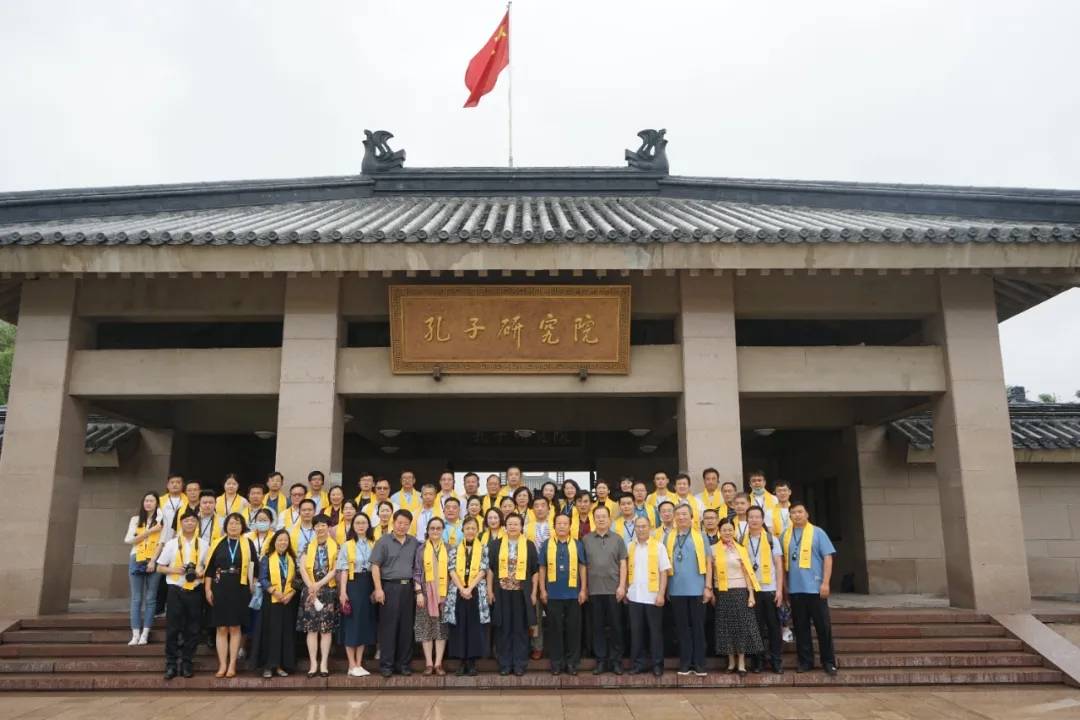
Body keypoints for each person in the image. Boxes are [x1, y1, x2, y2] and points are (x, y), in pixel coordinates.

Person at [783, 502, 838, 675]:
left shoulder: (818, 532)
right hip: (795, 590)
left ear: (807, 514)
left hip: (815, 589)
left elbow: (828, 558)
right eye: (793, 512)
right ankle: (805, 661)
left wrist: (826, 583)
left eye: (800, 512)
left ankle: (828, 661)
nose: (797, 515)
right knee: (801, 627)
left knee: (823, 627)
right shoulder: (785, 534)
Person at [204, 512, 257, 678]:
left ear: (242, 526)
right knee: (221, 627)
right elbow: (210, 569)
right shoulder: (217, 544)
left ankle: (232, 664)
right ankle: (222, 665)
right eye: (231, 523)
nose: (234, 526)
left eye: (237, 523)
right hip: (220, 586)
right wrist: (208, 589)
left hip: (240, 587)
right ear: (225, 526)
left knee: (235, 626)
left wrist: (252, 585)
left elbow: (254, 567)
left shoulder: (248, 543)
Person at [707, 517, 762, 675]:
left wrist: (751, 594)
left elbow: (747, 573)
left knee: (742, 628)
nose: (727, 532)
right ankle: (731, 662)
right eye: (724, 530)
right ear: (719, 531)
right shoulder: (712, 549)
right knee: (726, 628)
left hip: (740, 591)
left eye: (730, 529)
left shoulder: (741, 549)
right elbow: (710, 573)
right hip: (722, 592)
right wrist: (710, 591)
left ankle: (742, 663)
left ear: (734, 531)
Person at [157, 508, 207, 680]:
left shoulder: (203, 543)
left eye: (193, 520)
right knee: (173, 628)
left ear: (197, 523)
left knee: (193, 629)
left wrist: (201, 571)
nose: (190, 523)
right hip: (175, 590)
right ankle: (171, 664)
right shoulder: (172, 543)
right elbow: (159, 567)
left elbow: (208, 566)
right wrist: (174, 569)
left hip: (194, 590)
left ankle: (187, 662)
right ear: (181, 523)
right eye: (186, 521)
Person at [371, 509, 422, 677]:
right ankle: (386, 665)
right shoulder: (383, 542)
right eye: (399, 523)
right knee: (388, 628)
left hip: (408, 589)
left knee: (407, 628)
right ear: (394, 522)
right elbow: (375, 566)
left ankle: (404, 665)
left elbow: (418, 567)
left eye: (406, 524)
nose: (402, 526)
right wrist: (378, 589)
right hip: (389, 588)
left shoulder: (414, 542)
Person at [487, 512, 539, 676]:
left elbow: (535, 571)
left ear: (521, 526)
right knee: (503, 628)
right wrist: (489, 590)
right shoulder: (496, 545)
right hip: (501, 592)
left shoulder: (529, 545)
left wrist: (533, 592)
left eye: (516, 524)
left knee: (520, 628)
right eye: (510, 524)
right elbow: (490, 569)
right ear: (505, 526)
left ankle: (519, 664)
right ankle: (504, 663)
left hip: (521, 593)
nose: (513, 527)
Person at [538, 514, 587, 676]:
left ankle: (572, 663)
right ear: (554, 526)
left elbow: (582, 567)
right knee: (555, 629)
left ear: (570, 526)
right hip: (553, 594)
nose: (561, 526)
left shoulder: (577, 544)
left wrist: (583, 589)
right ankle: (556, 663)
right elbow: (542, 568)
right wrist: (542, 590)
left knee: (573, 629)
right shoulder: (547, 545)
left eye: (565, 523)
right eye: (558, 523)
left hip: (573, 594)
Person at [582, 505, 626, 675]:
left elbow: (623, 563)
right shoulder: (586, 539)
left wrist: (622, 586)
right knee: (597, 627)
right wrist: (584, 589)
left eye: (604, 516)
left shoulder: (618, 539)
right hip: (594, 591)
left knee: (616, 627)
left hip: (614, 590)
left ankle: (616, 661)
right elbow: (583, 566)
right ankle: (600, 661)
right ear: (594, 519)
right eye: (597, 516)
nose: (601, 519)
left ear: (609, 519)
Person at [667, 505, 711, 676]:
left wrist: (708, 587)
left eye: (684, 514)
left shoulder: (701, 537)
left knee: (699, 627)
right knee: (682, 628)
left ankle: (699, 664)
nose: (681, 517)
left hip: (698, 589)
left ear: (691, 517)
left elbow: (708, 563)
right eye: (678, 514)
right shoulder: (668, 537)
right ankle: (685, 663)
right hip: (676, 589)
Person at [443, 516, 490, 676]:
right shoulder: (455, 549)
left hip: (476, 591)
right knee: (459, 626)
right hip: (457, 592)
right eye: (467, 528)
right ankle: (461, 662)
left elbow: (483, 569)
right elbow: (451, 570)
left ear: (478, 531)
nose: (470, 531)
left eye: (473, 528)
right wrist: (462, 589)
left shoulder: (484, 548)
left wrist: (469, 588)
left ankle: (472, 663)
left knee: (474, 627)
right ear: (462, 530)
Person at [626, 516, 670, 677]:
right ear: (635, 529)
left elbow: (663, 572)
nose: (641, 529)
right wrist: (625, 590)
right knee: (636, 632)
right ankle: (637, 664)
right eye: (638, 526)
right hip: (634, 596)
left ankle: (657, 664)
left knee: (655, 632)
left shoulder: (659, 547)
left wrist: (661, 593)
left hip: (653, 597)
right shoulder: (630, 546)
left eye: (644, 526)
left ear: (650, 528)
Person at [296, 514, 339, 677]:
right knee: (311, 629)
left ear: (328, 527)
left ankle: (324, 664)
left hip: (328, 590)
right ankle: (313, 663)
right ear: (313, 528)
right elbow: (302, 568)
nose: (320, 528)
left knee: (326, 630)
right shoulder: (308, 546)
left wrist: (318, 585)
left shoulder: (336, 546)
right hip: (310, 592)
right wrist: (311, 587)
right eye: (317, 525)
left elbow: (335, 570)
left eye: (323, 525)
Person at [745, 505, 784, 674]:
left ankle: (776, 661)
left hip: (770, 589)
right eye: (751, 517)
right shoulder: (742, 539)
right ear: (747, 520)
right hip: (752, 591)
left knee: (774, 627)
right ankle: (758, 661)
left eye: (757, 517)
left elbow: (779, 565)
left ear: (762, 519)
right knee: (755, 628)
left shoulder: (771, 539)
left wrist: (780, 590)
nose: (754, 520)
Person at [337, 512, 376, 677]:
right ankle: (351, 664)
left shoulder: (374, 544)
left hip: (369, 583)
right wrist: (343, 592)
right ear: (353, 526)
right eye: (357, 523)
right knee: (351, 623)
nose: (361, 525)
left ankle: (359, 664)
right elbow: (344, 570)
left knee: (364, 624)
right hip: (353, 585)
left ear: (368, 525)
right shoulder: (347, 545)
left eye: (364, 522)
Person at [257, 528, 298, 678]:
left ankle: (280, 665)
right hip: (272, 601)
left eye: (285, 540)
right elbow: (262, 578)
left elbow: (296, 580)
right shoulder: (267, 558)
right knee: (271, 633)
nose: (283, 542)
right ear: (274, 542)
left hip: (288, 601)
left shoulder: (291, 559)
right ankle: (269, 666)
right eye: (280, 540)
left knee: (285, 634)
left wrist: (291, 593)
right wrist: (275, 592)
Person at [124, 491, 163, 645]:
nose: (148, 503)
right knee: (136, 598)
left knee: (151, 597)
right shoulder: (135, 519)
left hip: (154, 558)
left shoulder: (162, 520)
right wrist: (150, 531)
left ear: (157, 503)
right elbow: (129, 540)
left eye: (151, 501)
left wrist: (153, 561)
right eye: (146, 500)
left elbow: (162, 542)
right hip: (136, 557)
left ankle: (145, 633)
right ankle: (135, 633)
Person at [414, 516, 450, 675]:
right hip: (425, 593)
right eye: (432, 528)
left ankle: (438, 663)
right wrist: (419, 592)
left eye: (438, 528)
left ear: (443, 530)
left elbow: (453, 573)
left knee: (441, 628)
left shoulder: (449, 548)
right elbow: (416, 571)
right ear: (427, 531)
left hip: (444, 594)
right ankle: (428, 663)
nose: (435, 531)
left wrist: (449, 594)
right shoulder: (421, 549)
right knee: (425, 627)